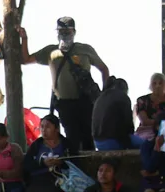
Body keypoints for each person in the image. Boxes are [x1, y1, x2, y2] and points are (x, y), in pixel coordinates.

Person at [21, 17, 109, 152]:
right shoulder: (51, 51)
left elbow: (103, 69)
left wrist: (104, 95)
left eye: (67, 31)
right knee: (72, 138)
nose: (64, 34)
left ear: (74, 32)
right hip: (65, 104)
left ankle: (89, 163)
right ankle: (74, 164)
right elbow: (25, 59)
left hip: (85, 101)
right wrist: (24, 38)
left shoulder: (84, 49)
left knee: (88, 137)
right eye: (61, 31)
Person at [24, 114, 71, 192]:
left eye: (48, 127)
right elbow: (27, 164)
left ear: (56, 129)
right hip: (38, 179)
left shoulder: (66, 144)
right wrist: (42, 163)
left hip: (57, 179)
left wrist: (61, 162)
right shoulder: (37, 145)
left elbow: (74, 163)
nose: (44, 130)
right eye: (42, 127)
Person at [92, 77, 134, 151]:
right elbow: (128, 124)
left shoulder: (101, 97)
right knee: (146, 145)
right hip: (114, 141)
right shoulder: (123, 97)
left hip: (97, 142)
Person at [133, 73, 165, 147]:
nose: (157, 86)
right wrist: (162, 123)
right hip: (146, 130)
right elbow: (144, 121)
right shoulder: (142, 100)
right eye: (154, 83)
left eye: (160, 83)